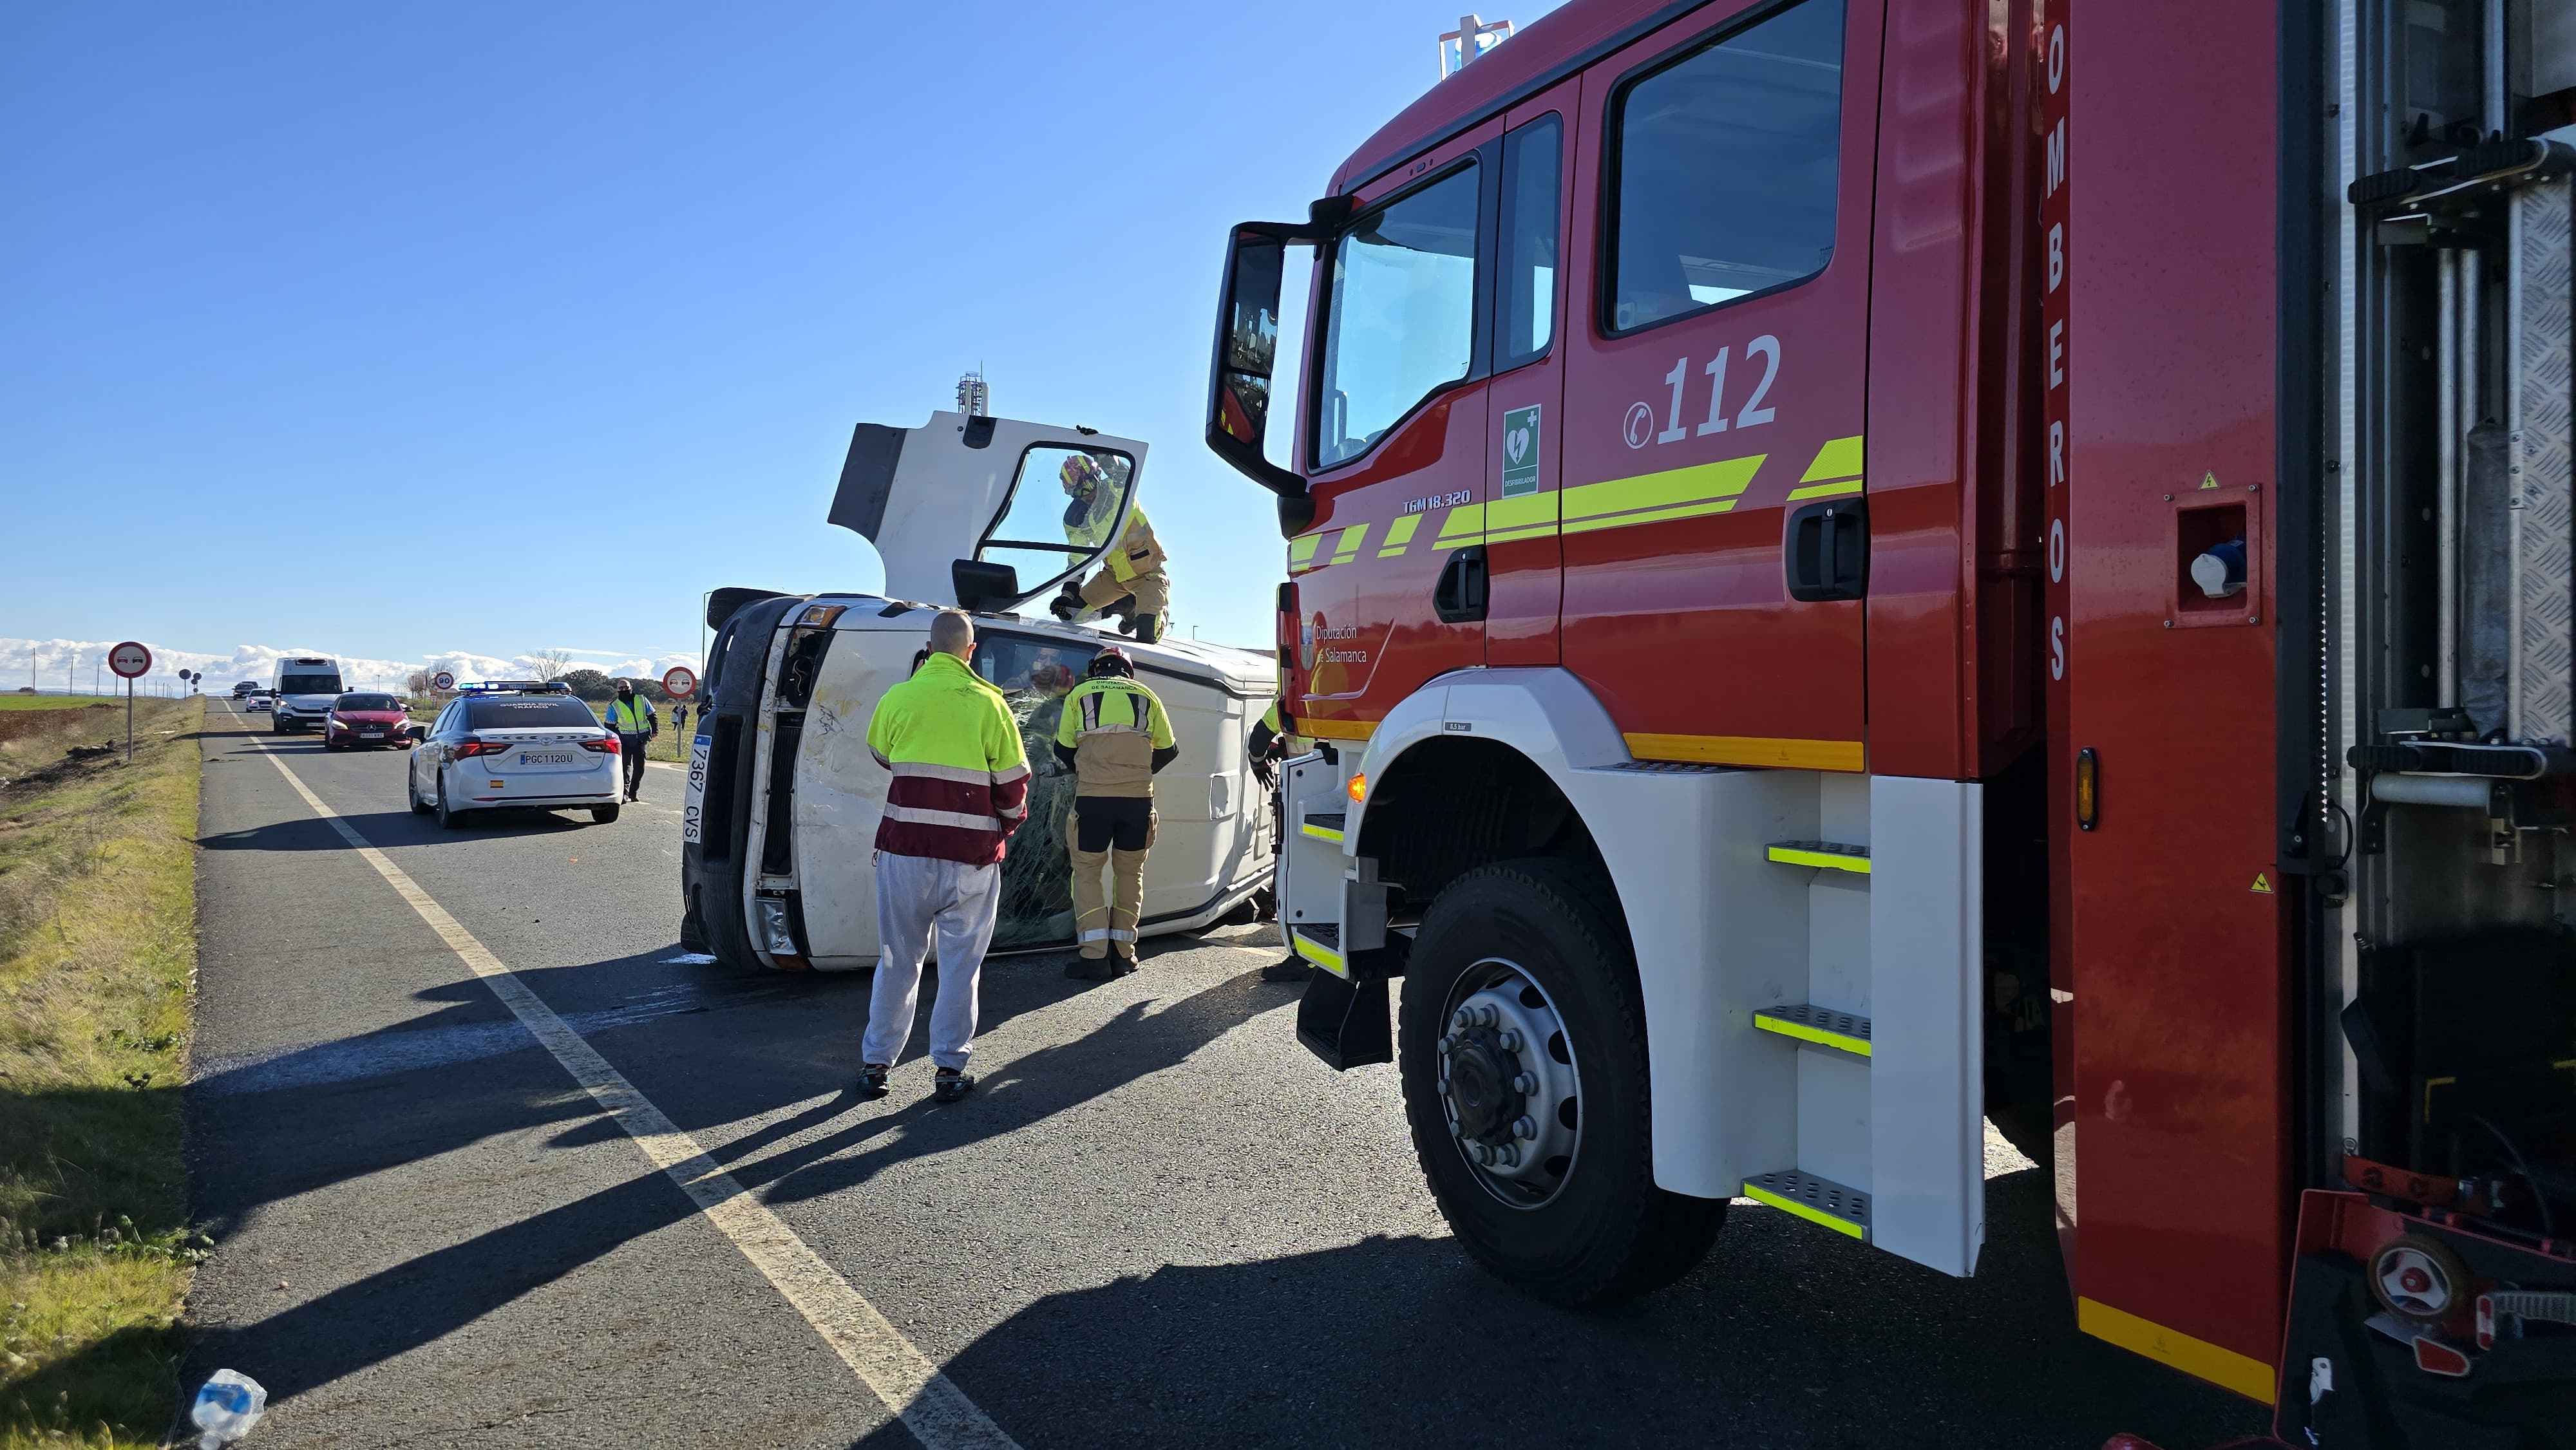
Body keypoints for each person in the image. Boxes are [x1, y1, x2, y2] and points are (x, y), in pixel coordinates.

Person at [857, 610, 1030, 1102]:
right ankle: (950, 1070)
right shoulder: (990, 704)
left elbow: (882, 754)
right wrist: (1006, 825)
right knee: (960, 967)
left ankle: (876, 1065)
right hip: (972, 859)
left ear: (929, 649)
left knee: (897, 960)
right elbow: (1014, 787)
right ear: (971, 652)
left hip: (905, 852)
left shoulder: (898, 697)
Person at [1053, 645, 1175, 981]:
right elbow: (1169, 750)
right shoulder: (1147, 696)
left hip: (1093, 800)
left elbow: (1063, 749)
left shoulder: (1079, 695)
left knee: (1088, 873)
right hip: (1137, 802)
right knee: (1130, 873)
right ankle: (1125, 955)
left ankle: (1094, 957)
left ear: (1097, 669)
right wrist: (1135, 774)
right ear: (1128, 672)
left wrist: (1089, 772)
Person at [1048, 453, 1170, 644]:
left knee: (1148, 637)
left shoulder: (1119, 490)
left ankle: (1152, 612)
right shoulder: (1075, 518)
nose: (1086, 495)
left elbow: (1120, 470)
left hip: (1148, 577)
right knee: (1071, 615)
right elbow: (1078, 557)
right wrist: (1067, 594)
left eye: (1087, 487)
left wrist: (1094, 445)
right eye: (1077, 492)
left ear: (1097, 477)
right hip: (1114, 578)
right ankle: (1127, 605)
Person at [1247, 697, 1311, 982]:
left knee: (1295, 874)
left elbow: (1258, 740)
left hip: (1302, 790)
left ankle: (1303, 957)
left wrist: (1259, 763)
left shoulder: (1292, 697)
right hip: (1344, 788)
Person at [604, 681, 657, 802]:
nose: (623, 690)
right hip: (625, 742)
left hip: (641, 740)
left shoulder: (642, 700)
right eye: (620, 688)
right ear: (617, 690)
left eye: (626, 688)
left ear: (631, 687)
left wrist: (655, 730)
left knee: (640, 768)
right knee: (624, 768)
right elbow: (609, 726)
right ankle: (624, 793)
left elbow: (652, 715)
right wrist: (616, 739)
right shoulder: (614, 705)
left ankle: (633, 793)